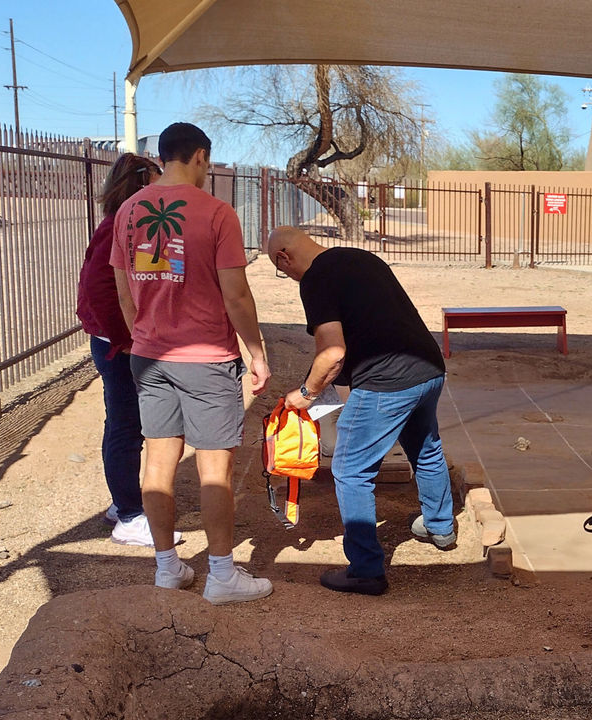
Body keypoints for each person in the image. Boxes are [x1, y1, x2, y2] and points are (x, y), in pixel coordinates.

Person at [109, 122, 273, 605]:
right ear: (200, 156)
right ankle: (221, 573)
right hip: (206, 358)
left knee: (157, 462)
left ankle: (167, 567)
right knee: (214, 468)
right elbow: (236, 294)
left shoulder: (127, 212)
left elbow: (123, 293)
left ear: (163, 156)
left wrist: (149, 330)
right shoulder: (217, 213)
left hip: (149, 355)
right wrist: (257, 352)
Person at [267, 225, 454, 597]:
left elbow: (332, 352)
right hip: (428, 369)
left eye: (280, 269)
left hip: (389, 382)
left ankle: (366, 570)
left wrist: (306, 393)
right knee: (425, 447)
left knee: (350, 468)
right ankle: (441, 526)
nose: (286, 275)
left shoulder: (316, 279)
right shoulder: (359, 257)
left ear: (284, 258)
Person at [77, 152, 184, 547]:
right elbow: (99, 288)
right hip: (118, 346)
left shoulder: (134, 223)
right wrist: (125, 338)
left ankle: (123, 503)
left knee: (129, 425)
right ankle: (129, 516)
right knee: (125, 427)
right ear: (141, 183)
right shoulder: (118, 225)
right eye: (158, 179)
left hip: (127, 342)